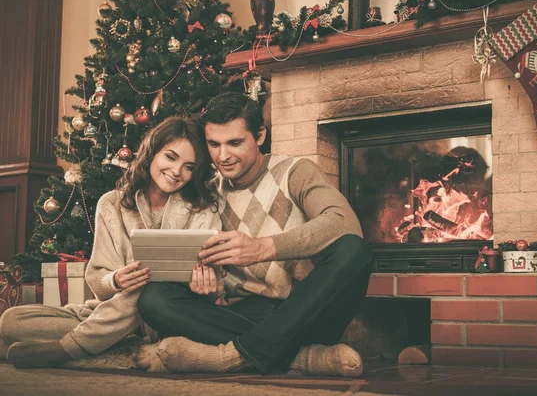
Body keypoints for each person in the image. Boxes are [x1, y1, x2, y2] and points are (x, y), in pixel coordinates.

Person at [137, 92, 373, 377]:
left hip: (306, 309)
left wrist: (265, 247)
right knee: (154, 298)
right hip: (242, 314)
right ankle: (301, 356)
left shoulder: (294, 172)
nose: (223, 156)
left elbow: (344, 223)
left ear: (260, 136)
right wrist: (201, 284)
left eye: (235, 143)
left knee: (353, 250)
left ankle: (228, 358)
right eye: (214, 144)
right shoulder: (207, 191)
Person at [0, 117, 220, 368]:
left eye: (189, 166)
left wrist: (207, 285)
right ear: (151, 153)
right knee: (11, 320)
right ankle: (116, 343)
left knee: (147, 286)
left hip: (166, 316)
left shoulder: (203, 210)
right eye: (170, 157)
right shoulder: (111, 204)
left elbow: (214, 283)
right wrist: (115, 280)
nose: (177, 171)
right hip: (109, 314)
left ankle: (70, 348)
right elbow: (97, 279)